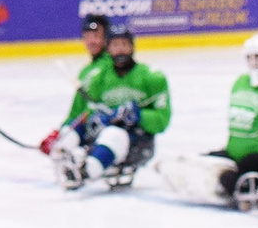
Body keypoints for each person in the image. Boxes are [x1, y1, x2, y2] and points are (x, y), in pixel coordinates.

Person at [157, 33, 258, 208]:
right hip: (236, 152)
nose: (254, 62)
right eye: (250, 57)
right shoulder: (241, 82)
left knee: (230, 178)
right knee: (205, 162)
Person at [44, 23, 170, 190]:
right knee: (70, 136)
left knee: (113, 134)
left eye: (124, 44)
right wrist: (62, 132)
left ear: (132, 47)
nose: (120, 50)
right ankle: (64, 154)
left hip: (138, 143)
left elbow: (162, 119)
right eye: (115, 45)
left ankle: (85, 171)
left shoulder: (152, 78)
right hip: (101, 134)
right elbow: (81, 113)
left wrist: (139, 115)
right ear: (108, 48)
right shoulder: (97, 77)